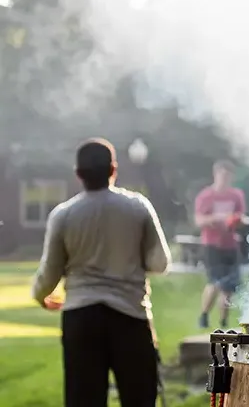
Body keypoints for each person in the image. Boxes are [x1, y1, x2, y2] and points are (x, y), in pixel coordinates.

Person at [31, 138, 171, 407]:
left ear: (78, 174)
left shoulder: (63, 214)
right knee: (139, 398)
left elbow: (50, 271)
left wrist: (40, 296)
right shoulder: (137, 207)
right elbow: (160, 262)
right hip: (130, 315)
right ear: (113, 169)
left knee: (84, 399)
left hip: (81, 317)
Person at [194, 159, 247, 328]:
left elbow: (241, 217)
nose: (225, 178)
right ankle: (204, 315)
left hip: (230, 245)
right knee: (215, 282)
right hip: (212, 245)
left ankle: (223, 321)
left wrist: (236, 221)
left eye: (228, 175)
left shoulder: (236, 195)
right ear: (215, 174)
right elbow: (199, 220)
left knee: (228, 286)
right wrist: (216, 218)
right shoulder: (206, 196)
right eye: (222, 174)